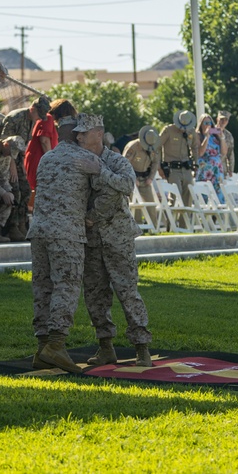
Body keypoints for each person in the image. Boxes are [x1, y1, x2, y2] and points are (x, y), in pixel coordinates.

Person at [74, 113, 152, 368]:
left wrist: (101, 172)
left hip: (118, 237)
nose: (78, 137)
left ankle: (142, 349)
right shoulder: (80, 162)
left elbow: (127, 186)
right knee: (95, 295)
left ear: (97, 134)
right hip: (93, 239)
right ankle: (106, 347)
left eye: (83, 133)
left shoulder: (116, 161)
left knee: (127, 292)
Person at [26, 113, 102, 374]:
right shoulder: (85, 159)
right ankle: (56, 345)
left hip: (39, 232)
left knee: (43, 287)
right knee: (66, 287)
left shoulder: (47, 158)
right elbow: (106, 187)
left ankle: (42, 348)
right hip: (66, 233)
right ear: (78, 135)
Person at [0, 94, 51, 241]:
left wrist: (23, 165)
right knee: (16, 191)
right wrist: (11, 166)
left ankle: (20, 223)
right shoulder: (15, 118)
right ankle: (11, 227)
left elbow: (23, 147)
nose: (40, 118)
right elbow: (4, 144)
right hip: (3, 159)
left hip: (18, 158)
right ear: (32, 109)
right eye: (39, 114)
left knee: (26, 190)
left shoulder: (33, 120)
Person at [159, 110, 198, 213]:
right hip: (172, 169)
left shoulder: (192, 131)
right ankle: (170, 224)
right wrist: (159, 167)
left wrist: (196, 163)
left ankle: (183, 226)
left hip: (186, 168)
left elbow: (195, 147)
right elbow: (157, 146)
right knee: (175, 195)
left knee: (188, 195)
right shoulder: (168, 130)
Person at [122, 125, 161, 228]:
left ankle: (154, 228)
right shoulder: (133, 146)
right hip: (133, 178)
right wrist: (133, 178)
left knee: (150, 203)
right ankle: (138, 227)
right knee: (136, 205)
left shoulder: (154, 146)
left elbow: (155, 163)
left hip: (145, 178)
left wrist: (151, 178)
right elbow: (124, 163)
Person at [25, 99, 60, 195]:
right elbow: (44, 140)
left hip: (39, 160)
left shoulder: (46, 119)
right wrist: (51, 160)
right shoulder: (48, 118)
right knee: (41, 192)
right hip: (40, 161)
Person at [194, 114, 226, 202]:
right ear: (201, 124)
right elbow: (200, 152)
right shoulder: (198, 135)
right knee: (204, 197)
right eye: (205, 123)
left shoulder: (215, 136)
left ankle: (218, 215)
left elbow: (224, 152)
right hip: (204, 171)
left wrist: (222, 138)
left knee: (218, 195)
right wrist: (206, 137)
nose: (208, 125)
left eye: (210, 123)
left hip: (217, 171)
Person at [217, 110, 236, 177]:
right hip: (211, 166)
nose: (224, 122)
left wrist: (231, 170)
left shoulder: (228, 135)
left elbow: (230, 153)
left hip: (223, 168)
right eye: (222, 119)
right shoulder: (211, 131)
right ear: (217, 119)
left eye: (226, 120)